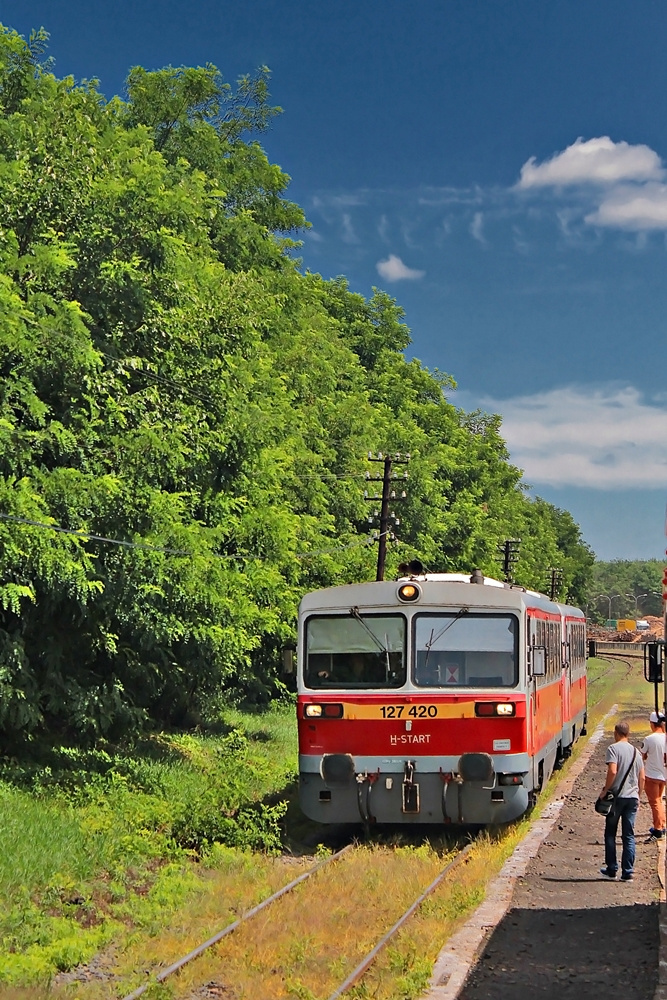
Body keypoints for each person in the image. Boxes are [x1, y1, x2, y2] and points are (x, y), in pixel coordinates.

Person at [598, 720, 645, 881]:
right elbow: (642, 777)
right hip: (632, 798)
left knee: (610, 833)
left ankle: (612, 869)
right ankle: (628, 871)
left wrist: (605, 790)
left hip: (616, 798)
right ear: (628, 734)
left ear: (616, 733)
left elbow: (612, 771)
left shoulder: (613, 749)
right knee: (629, 835)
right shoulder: (636, 752)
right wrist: (639, 794)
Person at [641, 711, 666, 842]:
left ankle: (658, 830)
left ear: (652, 724)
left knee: (655, 802)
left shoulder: (649, 739)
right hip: (663, 775)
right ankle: (662, 825)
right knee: (660, 801)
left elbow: (643, 756)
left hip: (651, 775)